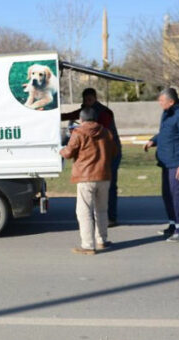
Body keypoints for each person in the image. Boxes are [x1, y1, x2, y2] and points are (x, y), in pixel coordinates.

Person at [60, 107, 118, 255]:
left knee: (84, 211)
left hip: (85, 177)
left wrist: (60, 150)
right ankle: (102, 240)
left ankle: (88, 245)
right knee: (102, 210)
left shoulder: (79, 132)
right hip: (104, 175)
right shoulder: (106, 132)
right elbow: (114, 152)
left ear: (81, 119)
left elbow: (68, 153)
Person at [62, 88, 122, 226]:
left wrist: (80, 131)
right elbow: (71, 115)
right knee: (100, 185)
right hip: (98, 153)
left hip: (110, 152)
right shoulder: (86, 111)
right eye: (85, 100)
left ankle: (111, 217)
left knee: (110, 185)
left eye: (90, 99)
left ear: (95, 98)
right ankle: (101, 217)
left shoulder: (104, 112)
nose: (87, 102)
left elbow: (101, 131)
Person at [144, 88, 179, 242]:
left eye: (162, 101)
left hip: (177, 163)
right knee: (168, 195)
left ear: (171, 101)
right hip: (167, 162)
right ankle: (173, 225)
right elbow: (167, 132)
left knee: (178, 196)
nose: (159, 103)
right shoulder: (169, 112)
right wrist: (153, 140)